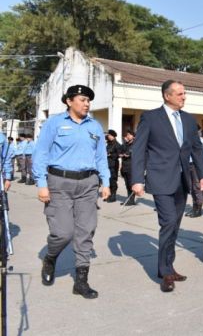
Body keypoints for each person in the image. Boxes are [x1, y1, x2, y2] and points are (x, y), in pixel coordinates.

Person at [32, 84, 111, 299]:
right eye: (83, 99)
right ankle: (50, 258)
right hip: (59, 183)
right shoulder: (54, 123)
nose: (87, 104)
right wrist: (41, 183)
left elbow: (101, 157)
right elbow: (41, 152)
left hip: (88, 184)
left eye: (88, 100)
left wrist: (106, 181)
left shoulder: (94, 126)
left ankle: (81, 281)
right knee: (63, 232)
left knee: (86, 231)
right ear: (69, 101)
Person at [131, 80, 203, 292]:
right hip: (160, 178)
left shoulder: (189, 120)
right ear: (167, 96)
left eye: (185, 93)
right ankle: (165, 272)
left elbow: (197, 149)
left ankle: (168, 265)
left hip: (183, 180)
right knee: (168, 222)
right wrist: (137, 179)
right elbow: (138, 149)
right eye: (180, 94)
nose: (184, 97)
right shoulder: (151, 118)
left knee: (174, 225)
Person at [185, 125, 203, 218]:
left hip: (196, 165)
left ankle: (198, 209)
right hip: (188, 165)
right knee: (191, 187)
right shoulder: (188, 140)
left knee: (197, 187)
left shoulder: (201, 141)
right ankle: (194, 207)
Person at [119, 130, 135, 206]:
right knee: (127, 184)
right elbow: (120, 151)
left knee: (131, 184)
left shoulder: (136, 144)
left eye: (129, 134)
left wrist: (128, 155)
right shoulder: (125, 144)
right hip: (124, 166)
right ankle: (129, 199)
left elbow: (133, 154)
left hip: (131, 167)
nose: (128, 136)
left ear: (133, 136)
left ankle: (131, 200)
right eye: (127, 135)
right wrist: (122, 154)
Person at [105, 129, 120, 203]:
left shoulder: (117, 144)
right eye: (108, 135)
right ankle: (109, 195)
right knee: (108, 180)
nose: (109, 137)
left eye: (110, 135)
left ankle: (113, 196)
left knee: (113, 180)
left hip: (113, 165)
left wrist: (111, 155)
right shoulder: (109, 144)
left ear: (113, 136)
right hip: (107, 164)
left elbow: (119, 154)